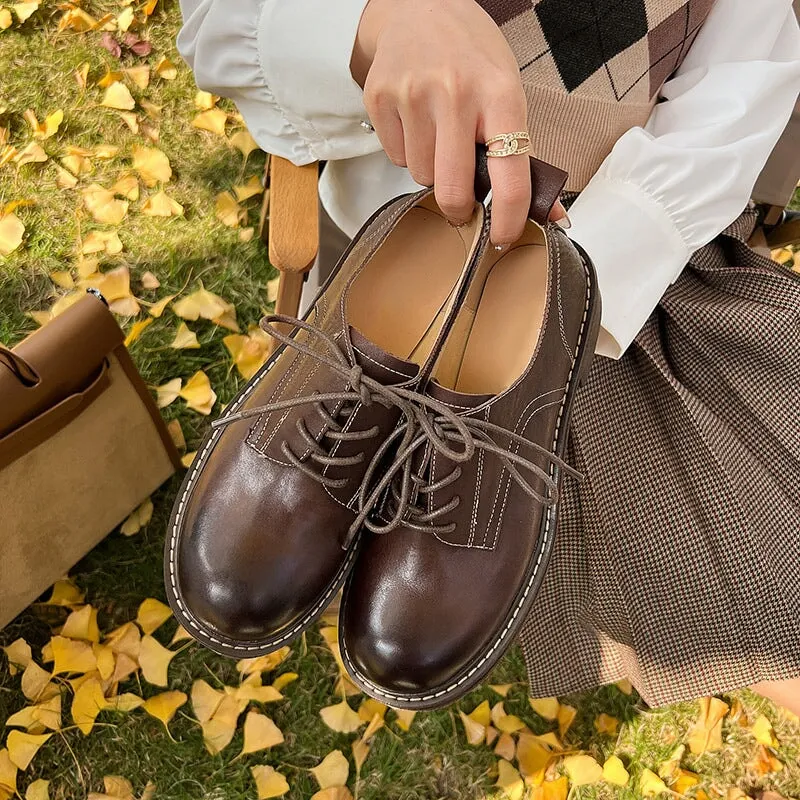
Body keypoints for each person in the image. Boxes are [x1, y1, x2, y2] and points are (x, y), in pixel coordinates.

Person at [176, 0, 800, 714]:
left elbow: (743, 82)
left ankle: (502, 389)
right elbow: (215, 25)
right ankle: (375, 390)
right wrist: (375, 24)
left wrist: (569, 274)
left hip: (627, 270)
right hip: (390, 235)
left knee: (760, 566)